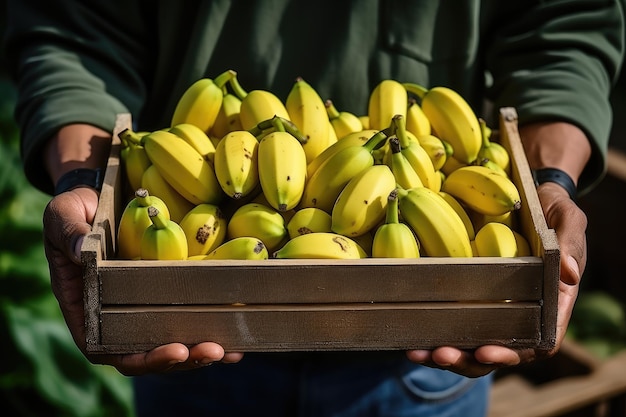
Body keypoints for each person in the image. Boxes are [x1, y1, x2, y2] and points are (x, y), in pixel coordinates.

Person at [3, 1, 624, 416]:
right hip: (191, 336)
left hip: (423, 346)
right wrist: (86, 179)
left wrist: (546, 183)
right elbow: (73, 26)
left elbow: (563, 25)